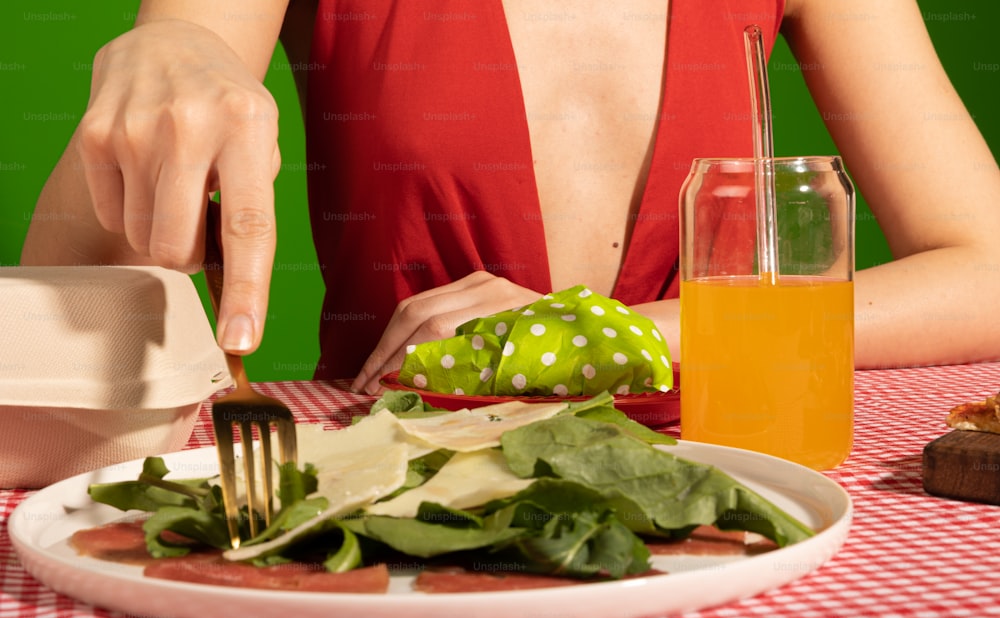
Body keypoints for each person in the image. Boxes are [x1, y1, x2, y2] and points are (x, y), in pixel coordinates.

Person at [21, 0, 1000, 396]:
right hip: (392, 507)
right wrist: (162, 52)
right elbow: (59, 314)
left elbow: (986, 270)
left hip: (730, 487)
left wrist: (618, 332)